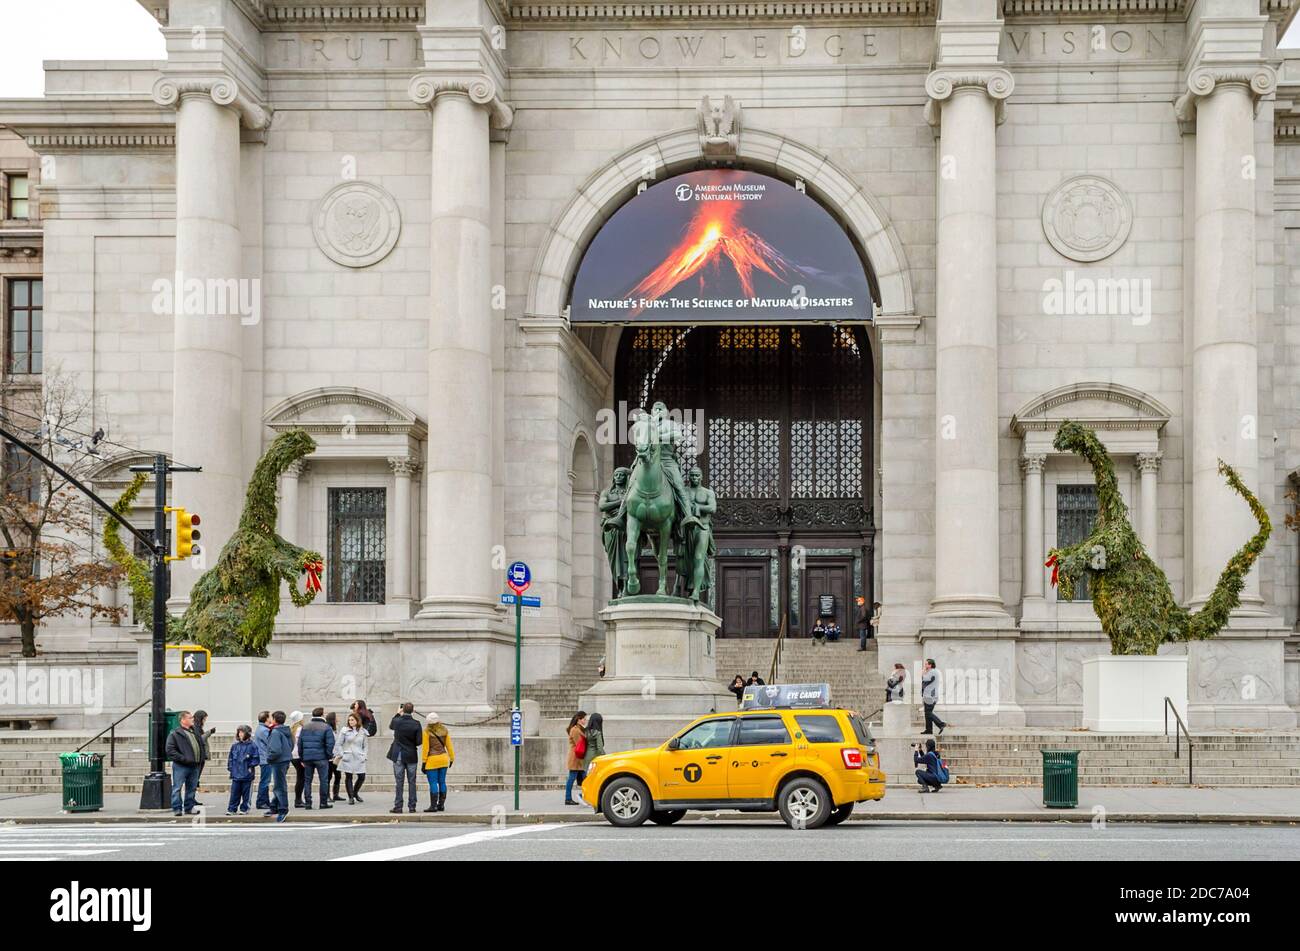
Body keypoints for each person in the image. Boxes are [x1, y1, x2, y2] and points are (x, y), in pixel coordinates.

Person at [164, 710, 201, 816]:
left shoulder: (194, 732)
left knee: (192, 788)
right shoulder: (175, 734)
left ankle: (189, 808)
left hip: (194, 765)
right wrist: (183, 759)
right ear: (183, 720)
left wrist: (200, 758)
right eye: (190, 718)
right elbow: (170, 750)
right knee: (177, 787)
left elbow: (200, 745)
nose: (192, 719)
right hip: (181, 766)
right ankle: (177, 808)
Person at [388, 702, 423, 814]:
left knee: (399, 782)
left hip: (398, 754)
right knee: (412, 781)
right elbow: (419, 742)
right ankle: (412, 806)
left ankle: (398, 806)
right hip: (411, 755)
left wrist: (398, 713)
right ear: (413, 711)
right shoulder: (416, 723)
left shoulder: (397, 721)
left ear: (403, 710)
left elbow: (391, 725)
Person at [298, 707, 335, 809]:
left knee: (307, 780)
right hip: (321, 757)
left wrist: (302, 757)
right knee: (323, 780)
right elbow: (330, 743)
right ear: (322, 715)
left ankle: (308, 803)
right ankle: (323, 803)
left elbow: (300, 743)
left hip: (307, 757)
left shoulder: (305, 727)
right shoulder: (326, 727)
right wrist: (328, 755)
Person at [421, 713, 455, 813]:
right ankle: (441, 805)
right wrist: (452, 758)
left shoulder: (426, 732)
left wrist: (423, 762)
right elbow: (449, 746)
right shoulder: (445, 730)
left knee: (433, 783)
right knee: (442, 782)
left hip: (432, 760)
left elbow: (426, 749)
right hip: (444, 759)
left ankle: (433, 806)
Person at [263, 710, 293, 823]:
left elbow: (275, 750)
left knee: (279, 786)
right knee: (278, 784)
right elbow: (291, 744)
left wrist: (269, 758)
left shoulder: (275, 732)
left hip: (278, 761)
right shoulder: (285, 730)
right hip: (285, 760)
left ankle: (283, 809)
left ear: (275, 719)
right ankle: (274, 806)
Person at [226, 725, 259, 815]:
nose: (240, 734)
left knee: (246, 794)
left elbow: (256, 758)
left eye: (242, 732)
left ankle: (244, 808)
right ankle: (232, 809)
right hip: (236, 774)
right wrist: (231, 768)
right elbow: (231, 758)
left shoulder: (252, 746)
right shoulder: (235, 746)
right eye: (239, 732)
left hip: (247, 774)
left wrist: (250, 766)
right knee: (234, 793)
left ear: (247, 733)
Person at [337, 712, 369, 804]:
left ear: (357, 720)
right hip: (348, 756)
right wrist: (342, 754)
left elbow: (366, 746)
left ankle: (355, 793)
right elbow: (339, 744)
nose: (350, 721)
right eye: (349, 720)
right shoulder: (344, 730)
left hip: (359, 756)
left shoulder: (363, 731)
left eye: (352, 720)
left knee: (362, 776)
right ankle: (351, 797)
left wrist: (365, 756)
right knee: (349, 776)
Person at [564, 711, 588, 805]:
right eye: (584, 719)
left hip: (579, 758)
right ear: (579, 720)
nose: (585, 720)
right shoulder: (575, 730)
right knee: (572, 778)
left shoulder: (580, 729)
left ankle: (585, 796)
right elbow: (580, 744)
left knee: (585, 779)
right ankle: (568, 798)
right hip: (576, 758)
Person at [192, 709, 215, 803]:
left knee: (196, 778)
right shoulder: (195, 728)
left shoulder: (198, 728)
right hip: (198, 756)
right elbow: (200, 739)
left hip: (201, 756)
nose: (205, 721)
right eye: (204, 719)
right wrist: (210, 732)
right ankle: (190, 799)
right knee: (195, 778)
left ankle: (192, 798)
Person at [253, 710, 274, 811]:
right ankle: (261, 802)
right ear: (266, 719)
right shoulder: (264, 730)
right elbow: (271, 742)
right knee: (265, 781)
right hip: (265, 759)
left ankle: (264, 801)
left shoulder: (261, 728)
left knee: (265, 780)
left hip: (263, 758)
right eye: (270, 717)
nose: (271, 718)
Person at [921, 658, 947, 736]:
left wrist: (923, 673)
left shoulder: (932, 672)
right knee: (927, 713)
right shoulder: (932, 672)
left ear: (930, 665)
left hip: (930, 696)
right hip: (929, 695)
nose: (925, 665)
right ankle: (929, 730)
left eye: (926, 664)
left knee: (928, 713)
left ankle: (941, 724)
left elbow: (925, 680)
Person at [287, 710, 306, 807]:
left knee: (300, 777)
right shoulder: (301, 729)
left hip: (292, 756)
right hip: (299, 756)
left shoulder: (291, 729)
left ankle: (298, 800)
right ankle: (298, 800)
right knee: (301, 778)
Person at [325, 711, 343, 802]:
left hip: (337, 756)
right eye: (336, 717)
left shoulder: (337, 729)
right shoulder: (328, 729)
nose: (338, 719)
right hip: (329, 757)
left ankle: (336, 794)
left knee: (338, 775)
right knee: (328, 777)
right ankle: (327, 796)